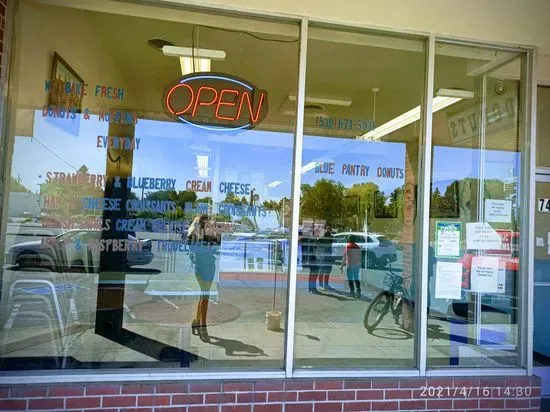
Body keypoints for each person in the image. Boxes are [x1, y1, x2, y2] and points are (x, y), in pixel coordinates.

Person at [188, 214, 217, 341]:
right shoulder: (194, 234)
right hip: (200, 266)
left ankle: (197, 321)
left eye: (207, 223)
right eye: (203, 223)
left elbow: (217, 241)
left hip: (210, 266)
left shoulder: (210, 235)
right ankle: (203, 327)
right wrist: (196, 223)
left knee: (204, 294)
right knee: (205, 294)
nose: (206, 225)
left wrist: (212, 229)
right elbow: (190, 237)